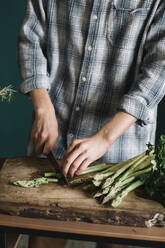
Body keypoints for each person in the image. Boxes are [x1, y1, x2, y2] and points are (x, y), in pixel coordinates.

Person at [17, 0, 165, 247]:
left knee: (114, 239)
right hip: (55, 142)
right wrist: (42, 105)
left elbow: (159, 70)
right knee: (44, 233)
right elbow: (30, 38)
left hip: (120, 158)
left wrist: (105, 137)